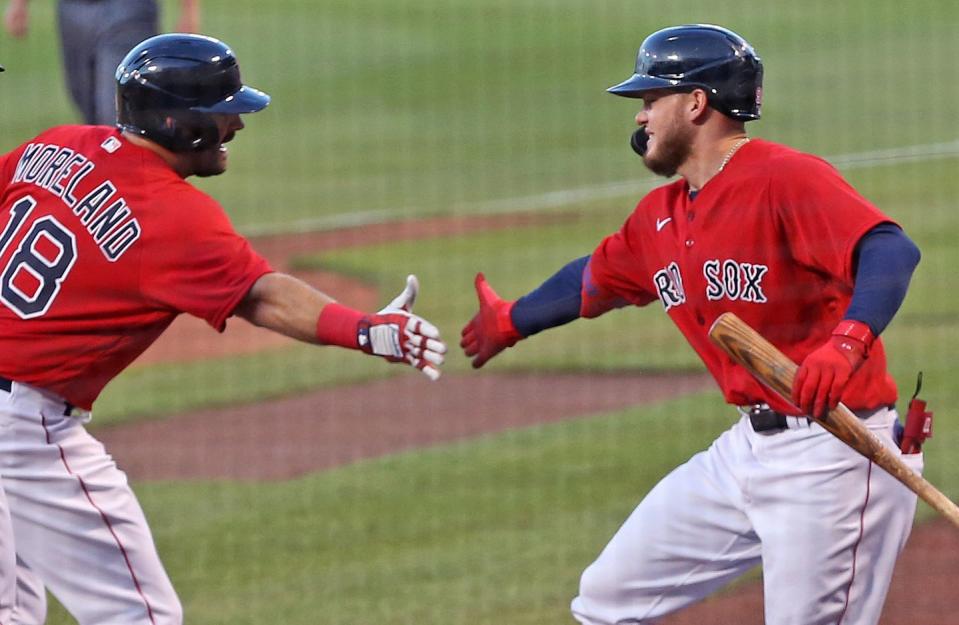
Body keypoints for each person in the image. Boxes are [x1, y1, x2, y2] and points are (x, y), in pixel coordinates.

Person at [460, 24, 924, 625]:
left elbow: (889, 249)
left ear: (696, 103)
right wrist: (511, 320)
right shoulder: (663, 215)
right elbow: (592, 281)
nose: (640, 117)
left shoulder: (782, 177)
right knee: (607, 600)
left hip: (836, 452)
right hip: (744, 453)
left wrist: (846, 344)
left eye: (651, 101)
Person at [0, 33, 447, 624]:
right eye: (223, 113)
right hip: (22, 429)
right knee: (139, 614)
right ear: (178, 123)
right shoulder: (174, 215)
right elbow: (261, 296)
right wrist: (369, 330)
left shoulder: (55, 145)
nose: (236, 126)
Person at [4, 0, 201, 125]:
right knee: (85, 102)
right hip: (71, 8)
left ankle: (125, 181)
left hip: (129, 10)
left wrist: (189, 11)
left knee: (116, 108)